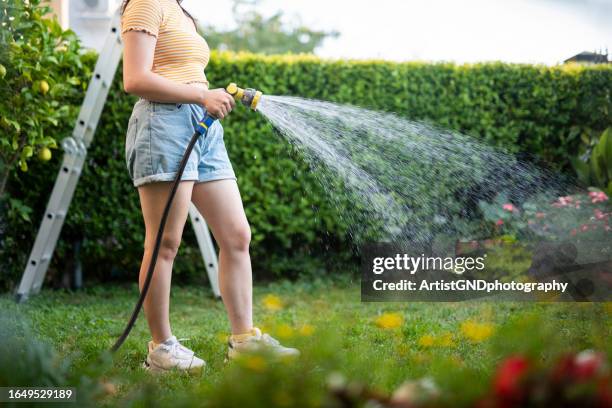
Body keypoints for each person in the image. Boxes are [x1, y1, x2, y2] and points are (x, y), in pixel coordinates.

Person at [120, 0, 298, 373]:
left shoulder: (179, 10)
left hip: (202, 129)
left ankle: (245, 340)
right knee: (165, 243)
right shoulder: (145, 4)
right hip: (163, 125)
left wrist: (206, 96)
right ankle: (161, 348)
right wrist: (202, 94)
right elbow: (134, 79)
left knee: (236, 234)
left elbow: (183, 70)